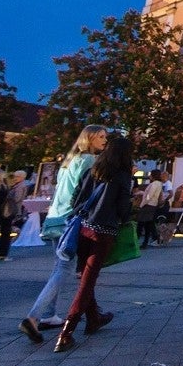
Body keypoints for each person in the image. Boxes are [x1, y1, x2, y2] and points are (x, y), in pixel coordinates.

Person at [19, 124, 107, 344]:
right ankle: (33, 317)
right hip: (71, 219)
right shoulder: (89, 161)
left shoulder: (68, 163)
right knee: (65, 269)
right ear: (90, 139)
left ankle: (49, 315)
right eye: (101, 137)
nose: (105, 140)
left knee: (59, 267)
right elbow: (88, 191)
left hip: (54, 217)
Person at [54, 135, 135, 353]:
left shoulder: (93, 171)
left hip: (82, 229)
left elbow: (75, 199)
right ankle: (66, 331)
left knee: (85, 275)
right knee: (87, 281)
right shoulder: (122, 176)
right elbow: (122, 208)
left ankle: (94, 318)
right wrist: (126, 215)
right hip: (103, 231)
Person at [137, 170, 165, 249]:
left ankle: (137, 241)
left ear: (153, 176)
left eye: (150, 175)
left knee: (141, 224)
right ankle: (145, 242)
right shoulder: (159, 184)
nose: (149, 176)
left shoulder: (153, 184)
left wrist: (142, 204)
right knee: (148, 225)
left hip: (148, 205)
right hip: (154, 205)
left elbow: (149, 195)